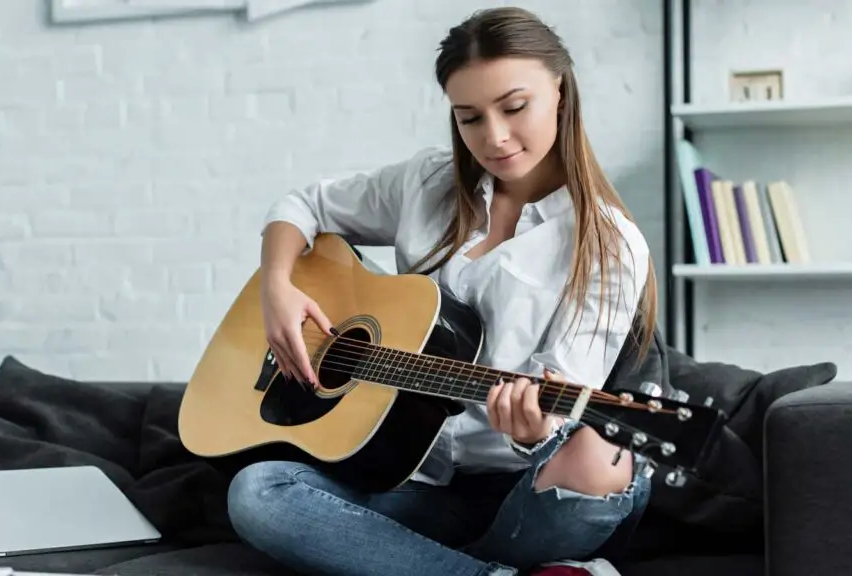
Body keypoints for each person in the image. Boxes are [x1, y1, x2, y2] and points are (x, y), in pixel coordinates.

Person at [226, 6, 659, 576]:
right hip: (411, 480)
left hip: (521, 493)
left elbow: (563, 394)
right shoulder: (426, 184)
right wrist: (277, 287)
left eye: (514, 107)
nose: (495, 137)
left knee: (599, 461)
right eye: (469, 117)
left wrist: (533, 430)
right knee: (258, 491)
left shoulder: (607, 243)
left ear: (559, 89)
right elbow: (302, 206)